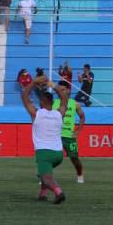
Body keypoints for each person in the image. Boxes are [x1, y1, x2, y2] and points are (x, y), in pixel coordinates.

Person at [21, 75, 68, 204]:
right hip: (58, 154)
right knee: (46, 172)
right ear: (53, 103)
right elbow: (64, 99)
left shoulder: (36, 113)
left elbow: (24, 96)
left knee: (44, 176)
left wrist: (34, 82)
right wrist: (53, 85)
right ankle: (43, 194)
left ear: (41, 101)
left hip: (44, 153)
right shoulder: (59, 114)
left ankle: (59, 192)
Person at [52, 79, 86, 185]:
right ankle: (45, 176)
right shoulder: (53, 103)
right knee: (51, 157)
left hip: (69, 137)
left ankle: (80, 175)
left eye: (63, 90)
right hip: (56, 135)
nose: (60, 92)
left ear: (68, 90)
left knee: (74, 158)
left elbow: (82, 117)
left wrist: (78, 131)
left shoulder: (75, 104)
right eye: (59, 90)